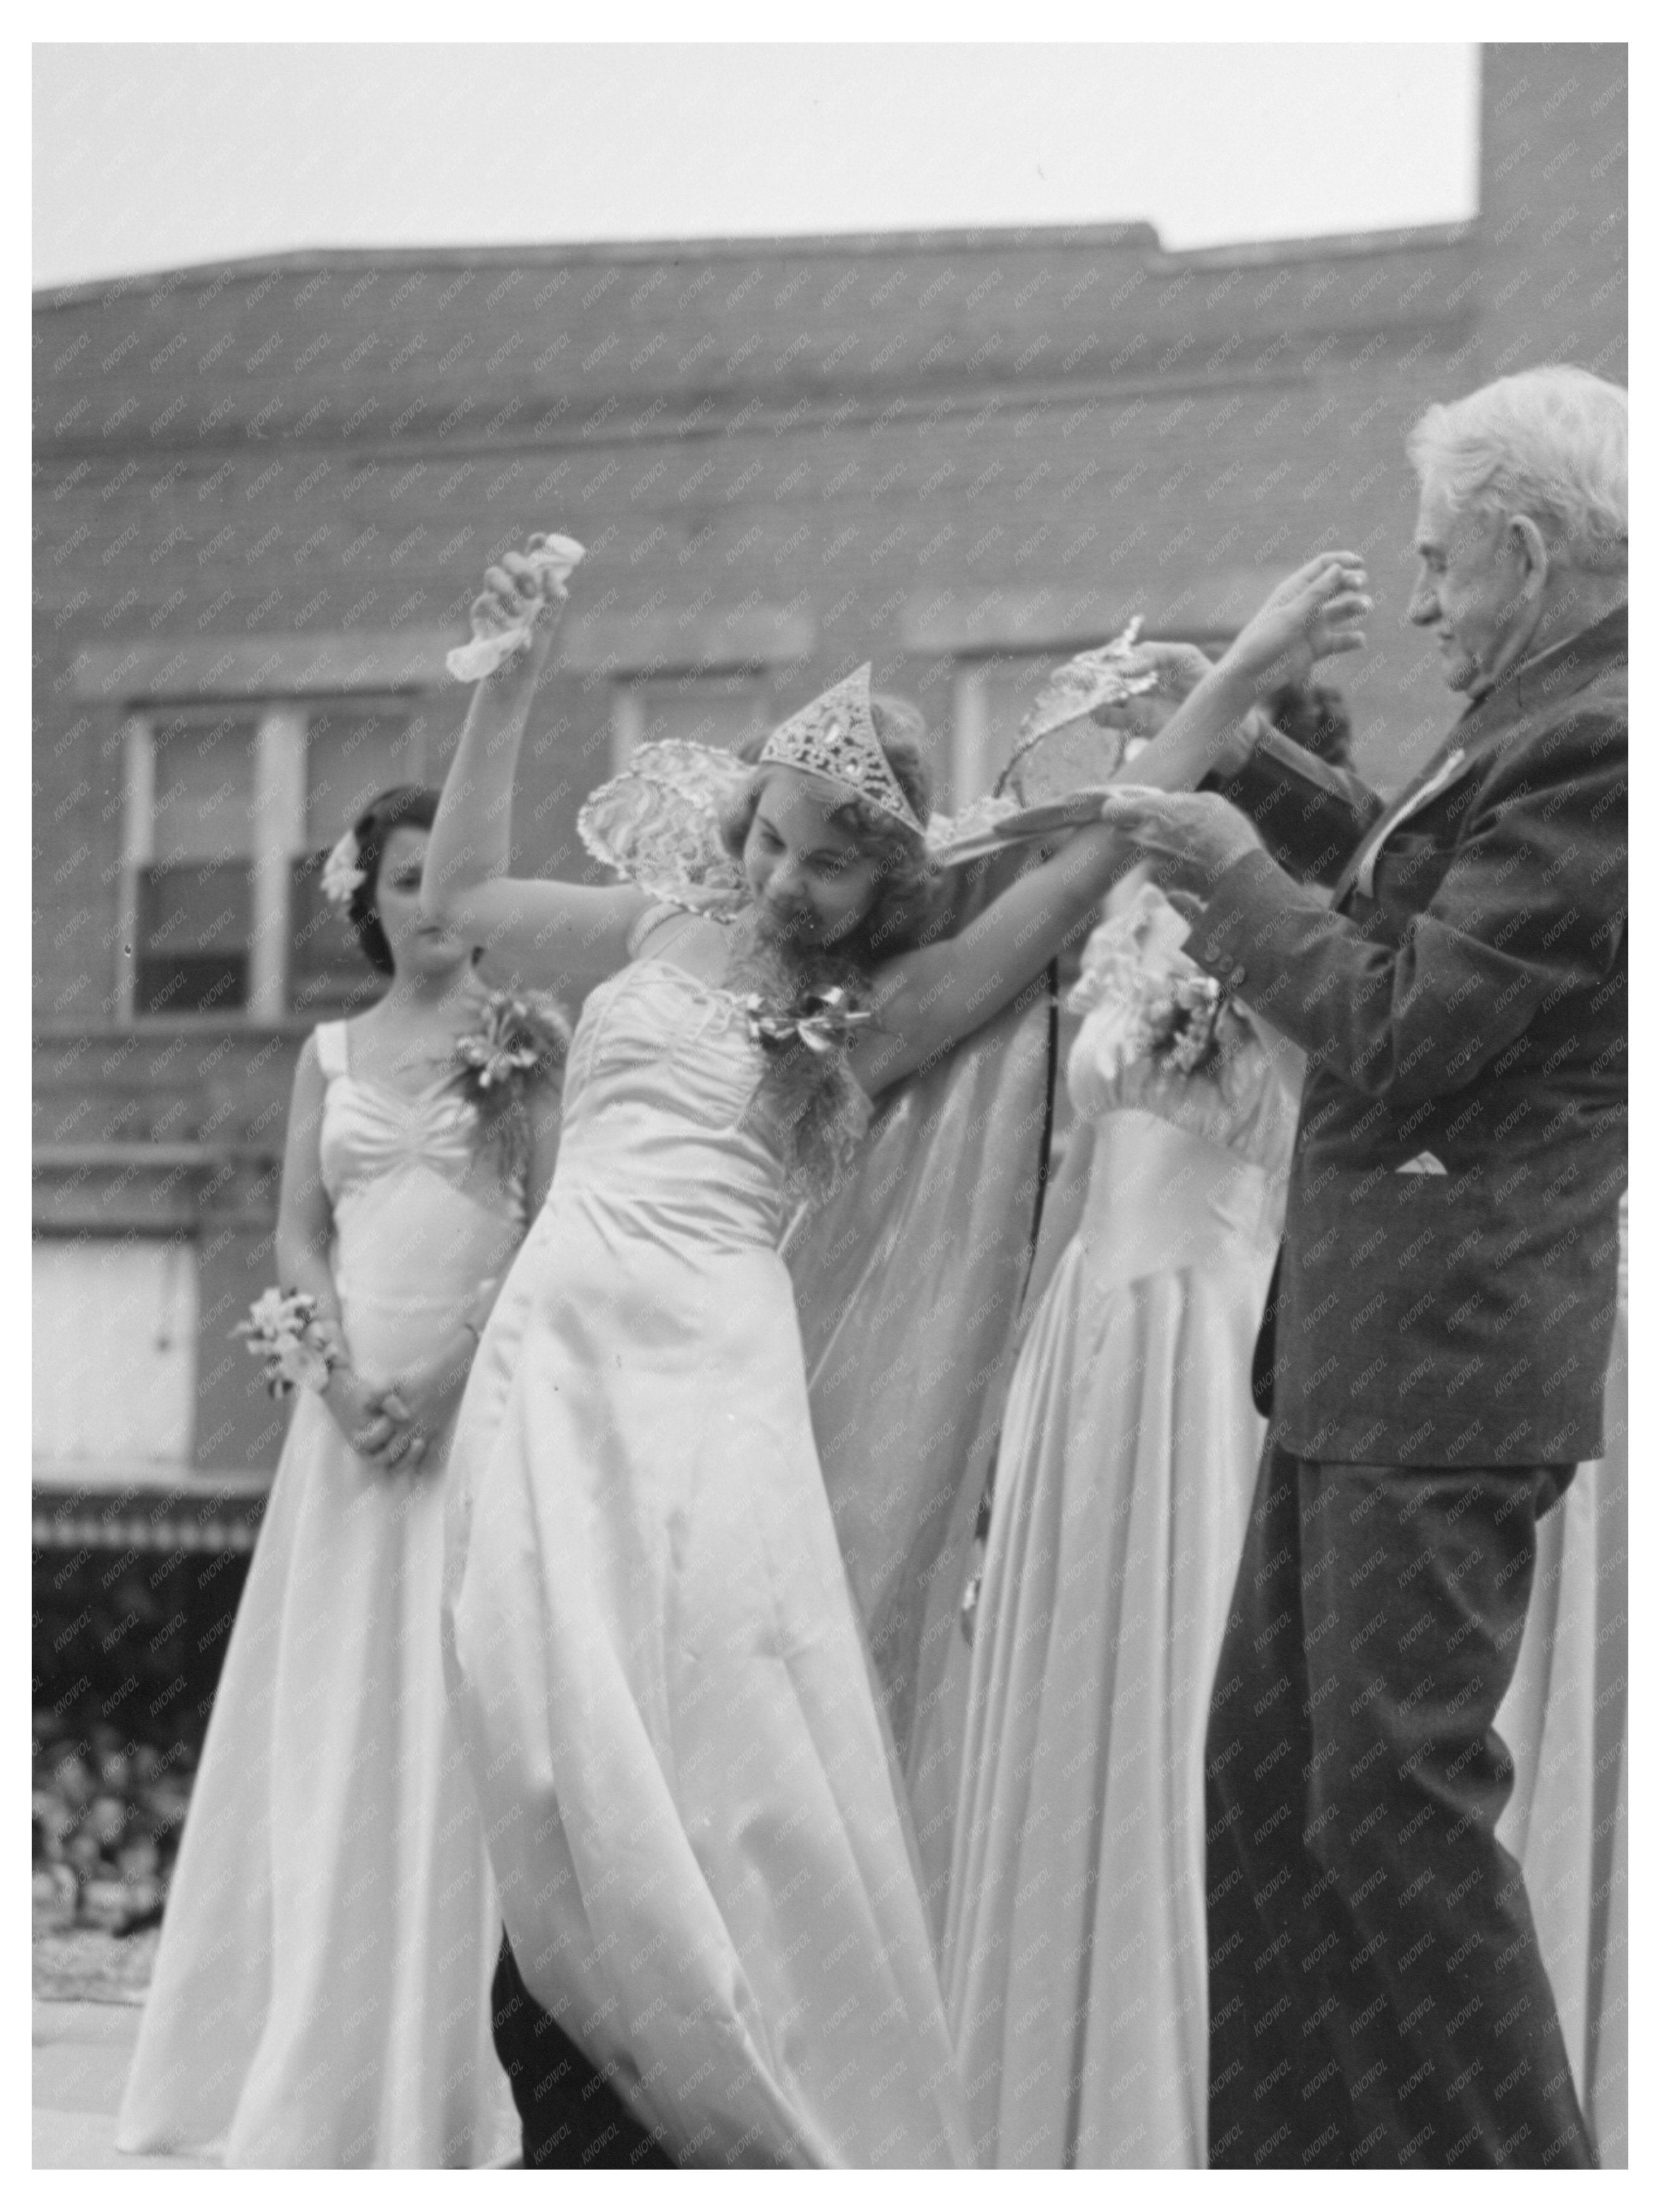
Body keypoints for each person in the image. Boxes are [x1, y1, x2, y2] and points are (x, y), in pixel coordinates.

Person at [422, 540, 1368, 2166]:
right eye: (772, 840)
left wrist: (1241, 670)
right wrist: (503, 692)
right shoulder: (658, 928)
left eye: (831, 865)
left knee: (718, 1763)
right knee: (537, 1750)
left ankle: (722, 2100)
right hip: (545, 1387)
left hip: (705, 1401)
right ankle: (568, 2082)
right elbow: (457, 909)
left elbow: (1081, 867)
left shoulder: (892, 1010)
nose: (788, 880)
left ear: (890, 886)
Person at [1098, 364, 1627, 2168]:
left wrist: (1234, 875)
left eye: (1439, 567)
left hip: (1442, 1354)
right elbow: (1416, 904)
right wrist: (1240, 756)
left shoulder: (1609, 736)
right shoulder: (1548, 715)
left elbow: (1400, 1026)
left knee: (1390, 1810)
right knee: (1270, 1802)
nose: (1417, 606)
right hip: (1360, 1352)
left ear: (1532, 550)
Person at [117, 786, 561, 2167]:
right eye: (408, 879)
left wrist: (447, 1380)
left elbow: (552, 1220)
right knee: (329, 1720)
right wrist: (344, 1380)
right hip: (348, 1437)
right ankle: (307, 2052)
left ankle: (434, 2069)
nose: (433, 906)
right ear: (364, 896)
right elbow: (300, 1237)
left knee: (453, 1716)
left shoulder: (528, 1038)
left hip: (476, 1415)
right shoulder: (330, 1050)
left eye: (452, 879)